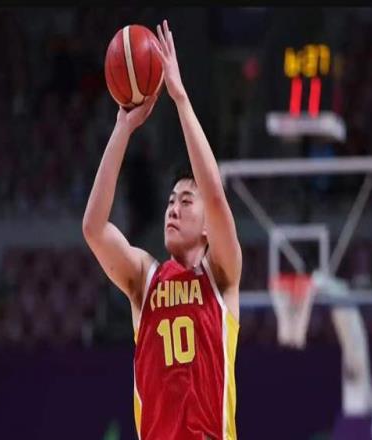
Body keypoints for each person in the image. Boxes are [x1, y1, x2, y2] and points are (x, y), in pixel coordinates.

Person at [82, 19, 241, 440]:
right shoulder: (144, 278)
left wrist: (180, 98)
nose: (173, 208)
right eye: (171, 201)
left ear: (207, 227)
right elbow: (94, 228)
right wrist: (123, 128)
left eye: (186, 202)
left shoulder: (221, 275)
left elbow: (216, 196)